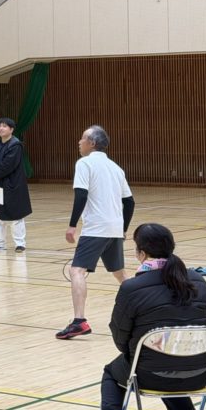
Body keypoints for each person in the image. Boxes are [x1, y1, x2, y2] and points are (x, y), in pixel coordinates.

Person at [98, 224, 206, 410]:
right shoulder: (199, 281)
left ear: (141, 253)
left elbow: (120, 338)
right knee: (170, 366)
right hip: (200, 373)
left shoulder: (131, 288)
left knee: (114, 373)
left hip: (149, 374)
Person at [58, 125, 135, 340]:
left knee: (76, 271)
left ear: (92, 143)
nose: (79, 142)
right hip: (114, 228)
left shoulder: (84, 163)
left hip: (96, 229)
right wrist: (122, 229)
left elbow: (81, 195)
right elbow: (130, 203)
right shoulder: (116, 168)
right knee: (120, 274)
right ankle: (147, 306)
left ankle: (79, 321)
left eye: (82, 138)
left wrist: (72, 225)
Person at [0, 117, 32, 252]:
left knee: (16, 215)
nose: (1, 128)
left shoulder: (16, 145)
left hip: (12, 185)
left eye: (5, 126)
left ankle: (20, 243)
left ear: (11, 129)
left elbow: (8, 165)